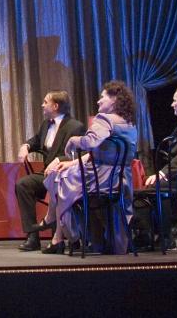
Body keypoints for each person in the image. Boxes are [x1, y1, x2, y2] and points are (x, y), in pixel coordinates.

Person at [41, 81, 138, 254]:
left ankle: (65, 232)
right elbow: (107, 152)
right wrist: (73, 162)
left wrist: (74, 140)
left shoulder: (104, 119)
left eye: (102, 97)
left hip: (100, 178)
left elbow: (90, 142)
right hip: (121, 178)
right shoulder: (129, 123)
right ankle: (67, 232)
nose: (98, 101)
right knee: (63, 174)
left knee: (57, 178)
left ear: (114, 100)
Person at [15, 91, 85, 251]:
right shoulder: (46, 124)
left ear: (55, 106)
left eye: (45, 102)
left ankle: (61, 237)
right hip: (46, 173)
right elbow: (36, 140)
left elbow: (81, 155)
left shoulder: (75, 127)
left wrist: (60, 160)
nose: (42, 105)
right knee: (23, 185)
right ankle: (33, 235)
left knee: (56, 186)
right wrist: (26, 146)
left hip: (65, 176)